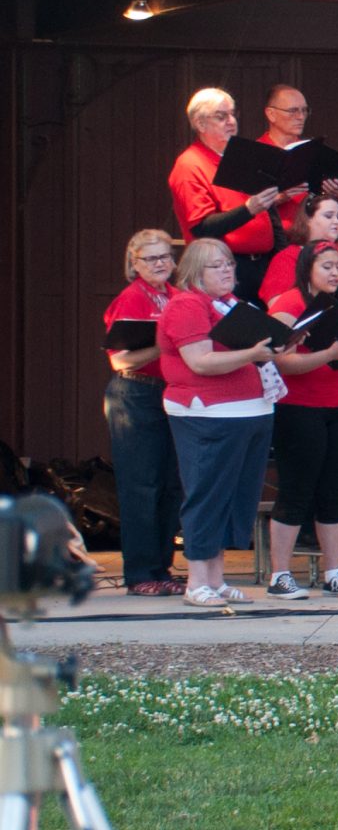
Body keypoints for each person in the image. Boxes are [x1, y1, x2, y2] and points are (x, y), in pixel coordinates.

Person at [157, 238, 279, 607]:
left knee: (233, 498)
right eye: (216, 265)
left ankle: (216, 578)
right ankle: (196, 582)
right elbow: (200, 361)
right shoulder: (187, 306)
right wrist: (254, 354)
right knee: (208, 494)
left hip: (250, 411)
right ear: (194, 271)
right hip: (208, 414)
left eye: (229, 263)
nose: (227, 270)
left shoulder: (233, 305)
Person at [262, 242, 338, 599]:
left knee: (335, 491)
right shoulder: (287, 305)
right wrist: (329, 354)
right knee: (297, 490)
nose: (335, 272)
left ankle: (334, 572)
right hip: (300, 409)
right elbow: (281, 362)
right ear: (308, 268)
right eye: (327, 266)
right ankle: (280, 574)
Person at [102, 229, 185, 597]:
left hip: (170, 394)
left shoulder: (175, 296)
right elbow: (120, 360)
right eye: (150, 258)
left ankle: (163, 567)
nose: (160, 264)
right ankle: (139, 572)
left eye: (165, 256)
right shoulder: (131, 299)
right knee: (141, 487)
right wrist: (162, 344)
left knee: (171, 485)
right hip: (136, 392)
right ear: (133, 263)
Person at [168, 88, 290, 304]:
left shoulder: (240, 155)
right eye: (221, 116)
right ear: (200, 124)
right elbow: (202, 227)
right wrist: (248, 210)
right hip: (224, 269)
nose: (231, 121)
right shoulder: (190, 165)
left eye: (233, 114)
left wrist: (281, 256)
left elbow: (268, 211)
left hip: (263, 264)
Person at [258, 84, 338, 232]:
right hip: (275, 240)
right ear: (271, 114)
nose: (300, 117)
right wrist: (280, 197)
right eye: (293, 111)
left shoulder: (313, 151)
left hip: (313, 239)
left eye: (304, 110)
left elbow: (333, 205)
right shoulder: (257, 152)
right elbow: (243, 207)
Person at [259, 193, 338, 303]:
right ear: (308, 219)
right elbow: (277, 305)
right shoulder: (288, 256)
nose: (336, 222)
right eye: (328, 216)